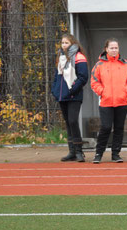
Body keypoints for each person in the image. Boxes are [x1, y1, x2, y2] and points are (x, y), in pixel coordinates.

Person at [91, 38, 127, 164]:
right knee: (105, 127)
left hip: (122, 102)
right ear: (106, 49)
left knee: (119, 128)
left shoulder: (125, 64)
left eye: (116, 48)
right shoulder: (99, 65)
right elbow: (94, 81)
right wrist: (102, 92)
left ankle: (116, 154)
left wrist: (125, 92)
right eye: (111, 48)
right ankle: (98, 153)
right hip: (105, 102)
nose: (114, 50)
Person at [52, 34, 88, 162]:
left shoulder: (79, 57)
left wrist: (72, 89)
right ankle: (72, 151)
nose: (64, 45)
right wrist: (55, 90)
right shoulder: (60, 57)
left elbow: (83, 77)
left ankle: (79, 151)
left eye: (66, 43)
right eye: (62, 43)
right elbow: (57, 76)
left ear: (72, 43)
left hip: (74, 95)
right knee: (68, 122)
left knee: (73, 120)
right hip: (62, 95)